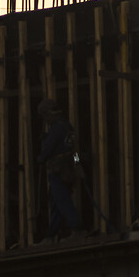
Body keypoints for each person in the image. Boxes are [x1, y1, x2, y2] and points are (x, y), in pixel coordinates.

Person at [36, 98, 80, 241]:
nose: (45, 120)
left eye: (45, 116)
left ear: (49, 114)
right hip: (67, 169)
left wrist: (41, 158)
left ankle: (76, 228)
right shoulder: (67, 126)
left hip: (58, 170)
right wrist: (77, 164)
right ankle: (51, 234)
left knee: (62, 199)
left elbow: (48, 149)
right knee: (55, 201)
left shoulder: (56, 129)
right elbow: (74, 149)